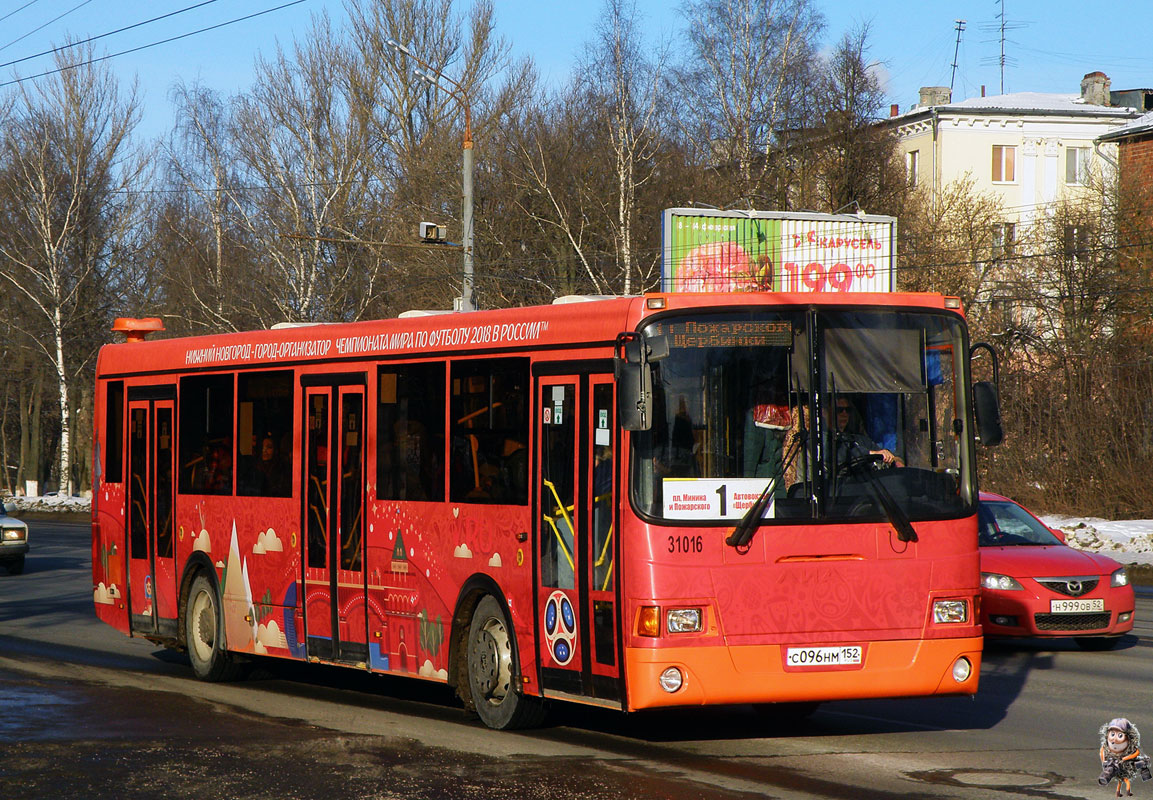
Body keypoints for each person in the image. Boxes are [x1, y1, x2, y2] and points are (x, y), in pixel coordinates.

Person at [833, 397, 903, 469]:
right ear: (825, 412)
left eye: (848, 410)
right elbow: (842, 454)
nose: (844, 414)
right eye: (839, 410)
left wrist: (896, 461)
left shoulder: (859, 440)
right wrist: (871, 454)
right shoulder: (824, 441)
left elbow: (888, 455)